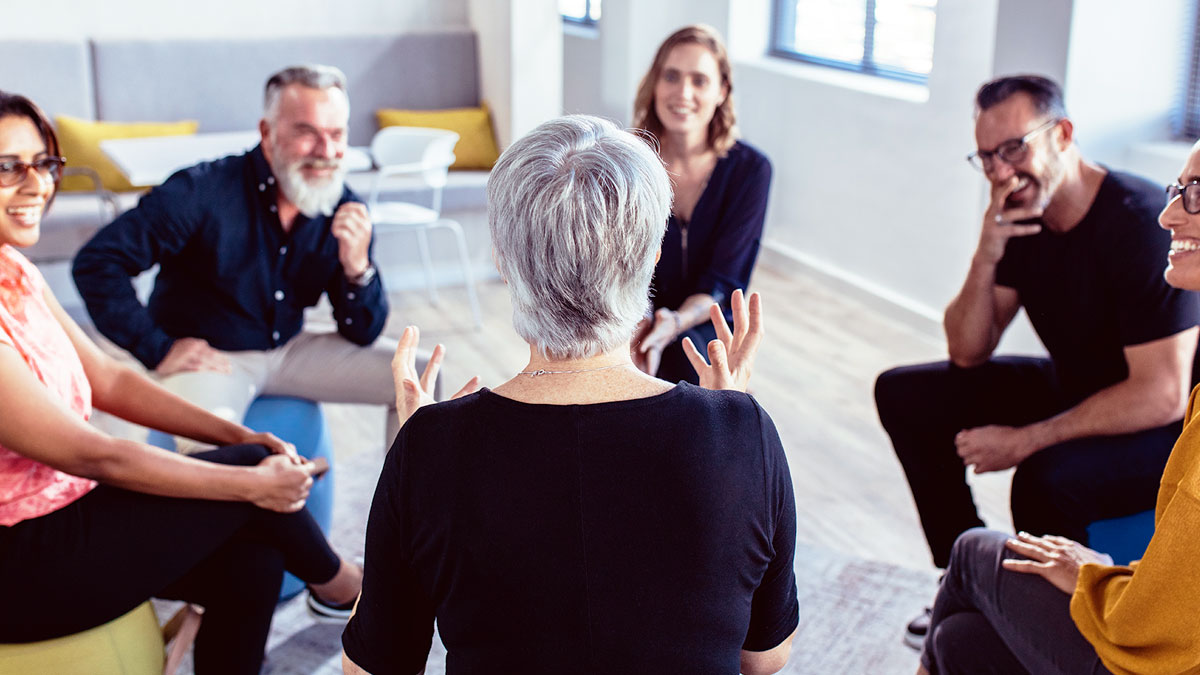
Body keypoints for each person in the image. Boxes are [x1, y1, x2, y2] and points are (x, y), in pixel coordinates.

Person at [341, 116, 798, 675]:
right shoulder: (743, 432)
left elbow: (372, 667)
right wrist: (728, 427)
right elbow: (764, 658)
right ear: (652, 256)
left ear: (504, 261)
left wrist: (412, 465)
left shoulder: (431, 448)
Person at [0, 91, 363, 675]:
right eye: (6, 167)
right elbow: (98, 455)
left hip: (64, 513)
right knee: (251, 489)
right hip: (19, 565)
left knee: (257, 550)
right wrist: (247, 479)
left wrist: (233, 436)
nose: (36, 184)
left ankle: (337, 588)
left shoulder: (14, 270)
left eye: (43, 163)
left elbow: (109, 379)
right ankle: (346, 587)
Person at [872, 75, 1200, 647]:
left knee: (1045, 480)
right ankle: (963, 574)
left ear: (1062, 135)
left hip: (1161, 422)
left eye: (1013, 149)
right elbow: (968, 351)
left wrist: (1026, 440)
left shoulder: (1140, 222)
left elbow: (1162, 394)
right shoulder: (1022, 218)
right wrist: (987, 251)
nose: (1001, 172)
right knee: (905, 393)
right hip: (1080, 386)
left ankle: (1054, 633)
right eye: (987, 157)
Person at [72, 64, 410, 453]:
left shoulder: (343, 205)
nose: (327, 152)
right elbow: (97, 263)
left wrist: (357, 269)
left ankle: (404, 512)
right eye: (306, 132)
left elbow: (362, 333)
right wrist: (157, 347)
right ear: (267, 133)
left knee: (415, 378)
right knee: (221, 463)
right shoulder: (200, 191)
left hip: (289, 349)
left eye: (336, 135)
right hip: (214, 358)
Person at [631, 24, 773, 385]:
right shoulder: (626, 160)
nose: (683, 92)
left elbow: (724, 278)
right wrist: (645, 321)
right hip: (632, 310)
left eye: (699, 80)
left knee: (689, 358)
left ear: (722, 91)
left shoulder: (750, 170)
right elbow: (617, 260)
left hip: (706, 318)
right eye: (672, 76)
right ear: (655, 84)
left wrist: (674, 322)